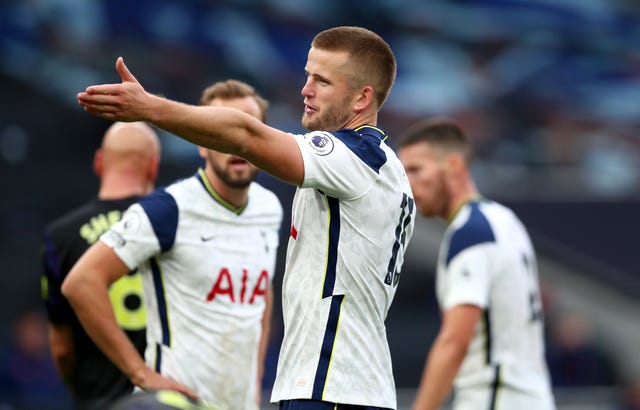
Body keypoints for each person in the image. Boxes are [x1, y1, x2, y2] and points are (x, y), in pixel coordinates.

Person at [75, 26, 415, 410]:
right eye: (307, 76)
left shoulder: (354, 157)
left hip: (330, 387)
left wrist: (151, 108)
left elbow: (245, 137)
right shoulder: (391, 171)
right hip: (354, 386)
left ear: (361, 98)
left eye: (321, 81)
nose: (305, 89)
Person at [63, 79, 283, 409]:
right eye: (222, 132)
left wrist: (254, 379)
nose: (237, 144)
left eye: (247, 130)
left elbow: (260, 293)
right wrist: (139, 373)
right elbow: (81, 282)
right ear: (201, 142)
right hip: (175, 403)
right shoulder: (169, 208)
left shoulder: (270, 208)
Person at [397, 118, 555, 410]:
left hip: (495, 398)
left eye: (416, 169)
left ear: (454, 165)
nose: (407, 183)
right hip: (531, 396)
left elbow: (454, 341)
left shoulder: (470, 232)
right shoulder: (504, 219)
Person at [41, 121, 161, 409]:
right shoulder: (173, 226)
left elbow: (61, 348)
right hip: (164, 398)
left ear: (99, 162)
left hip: (98, 400)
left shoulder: (60, 237)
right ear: (153, 167)